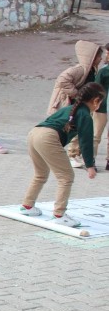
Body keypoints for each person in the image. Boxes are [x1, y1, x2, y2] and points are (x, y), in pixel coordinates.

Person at [19, 82, 104, 228]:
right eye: (100, 102)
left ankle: (27, 206)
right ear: (96, 101)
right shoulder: (84, 115)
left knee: (41, 174)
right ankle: (59, 214)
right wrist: (90, 165)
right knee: (66, 177)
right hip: (48, 137)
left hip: (34, 133)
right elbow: (86, 141)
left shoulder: (71, 108)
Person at [45, 40, 101, 168]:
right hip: (72, 103)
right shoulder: (80, 69)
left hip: (80, 105)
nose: (100, 59)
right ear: (92, 56)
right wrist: (76, 93)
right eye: (98, 56)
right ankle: (71, 155)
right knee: (71, 129)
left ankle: (74, 154)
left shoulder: (92, 70)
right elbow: (62, 80)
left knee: (77, 129)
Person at [92, 45, 109, 169]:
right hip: (101, 107)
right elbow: (96, 89)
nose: (106, 56)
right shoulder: (104, 71)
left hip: (102, 106)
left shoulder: (104, 70)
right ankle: (91, 160)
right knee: (96, 135)